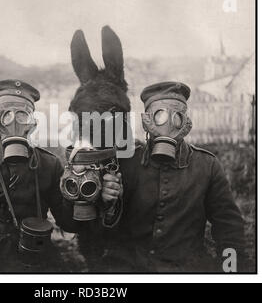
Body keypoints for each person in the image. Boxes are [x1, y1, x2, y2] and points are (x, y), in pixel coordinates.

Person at [0, 79, 122, 272]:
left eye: (22, 116)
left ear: (32, 123)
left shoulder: (48, 164)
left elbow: (69, 223)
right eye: (5, 115)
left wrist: (99, 201)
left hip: (35, 264)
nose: (14, 123)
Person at [106, 81, 247, 272]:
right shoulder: (127, 162)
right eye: (160, 116)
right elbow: (104, 226)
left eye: (177, 116)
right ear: (146, 121)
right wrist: (109, 204)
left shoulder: (206, 166)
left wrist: (230, 271)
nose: (169, 124)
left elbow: (229, 228)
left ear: (186, 122)